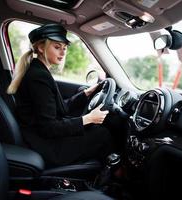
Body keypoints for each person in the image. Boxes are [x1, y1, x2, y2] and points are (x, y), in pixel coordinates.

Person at [7, 24, 113, 167]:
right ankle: (110, 175)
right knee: (102, 133)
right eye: (57, 47)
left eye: (64, 48)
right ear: (40, 47)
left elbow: (57, 108)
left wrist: (85, 94)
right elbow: (49, 127)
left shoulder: (38, 70)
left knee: (95, 130)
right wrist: (87, 119)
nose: (63, 52)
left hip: (39, 137)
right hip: (46, 146)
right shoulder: (38, 76)